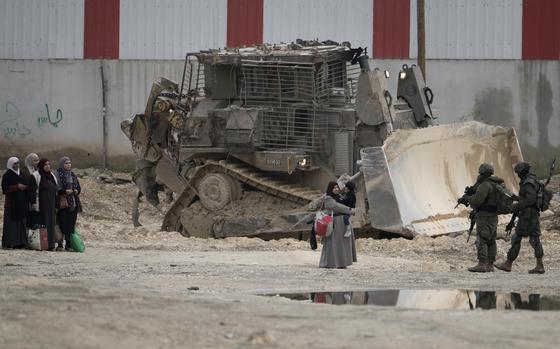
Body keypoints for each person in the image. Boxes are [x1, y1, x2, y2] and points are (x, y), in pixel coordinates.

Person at [495, 161, 545, 274]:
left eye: (518, 173)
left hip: (527, 216)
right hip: (532, 214)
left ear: (522, 172)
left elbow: (530, 199)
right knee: (535, 239)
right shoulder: (532, 180)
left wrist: (516, 206)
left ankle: (508, 263)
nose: (517, 175)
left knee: (517, 238)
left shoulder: (527, 183)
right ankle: (540, 265)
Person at [462, 163, 504, 273]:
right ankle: (490, 264)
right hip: (493, 216)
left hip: (484, 216)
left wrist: (467, 198)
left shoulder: (485, 185)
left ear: (482, 172)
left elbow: (477, 200)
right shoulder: (496, 184)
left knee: (482, 239)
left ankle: (482, 264)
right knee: (491, 240)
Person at [319, 181, 357, 269]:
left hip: (342, 224)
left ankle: (342, 263)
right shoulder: (328, 198)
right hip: (335, 224)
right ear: (330, 189)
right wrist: (350, 210)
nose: (336, 189)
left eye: (337, 187)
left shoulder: (339, 197)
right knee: (334, 244)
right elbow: (336, 207)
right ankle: (331, 263)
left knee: (342, 244)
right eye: (334, 188)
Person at [1, 157, 29, 249]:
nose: (17, 165)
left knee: (21, 223)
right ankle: (10, 243)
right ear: (10, 164)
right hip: (12, 203)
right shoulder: (7, 175)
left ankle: (20, 242)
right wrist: (17, 187)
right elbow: (5, 189)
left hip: (22, 202)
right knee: (11, 224)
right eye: (15, 163)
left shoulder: (22, 174)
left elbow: (27, 184)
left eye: (18, 163)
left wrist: (25, 187)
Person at [56, 156, 82, 251]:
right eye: (66, 163)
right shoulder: (58, 174)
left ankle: (68, 244)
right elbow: (56, 189)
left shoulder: (73, 174)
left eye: (69, 163)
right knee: (62, 224)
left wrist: (76, 191)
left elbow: (78, 188)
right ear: (62, 164)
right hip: (63, 204)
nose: (68, 165)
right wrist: (64, 191)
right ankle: (59, 244)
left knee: (71, 225)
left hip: (73, 204)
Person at [35, 158, 59, 251]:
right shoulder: (37, 176)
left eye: (49, 164)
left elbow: (56, 191)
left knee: (51, 224)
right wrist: (35, 204)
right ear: (41, 166)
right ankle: (43, 244)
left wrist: (57, 205)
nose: (48, 166)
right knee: (44, 223)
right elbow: (34, 191)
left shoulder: (52, 176)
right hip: (43, 205)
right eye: (45, 165)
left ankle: (51, 244)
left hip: (52, 205)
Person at [20, 153, 40, 219]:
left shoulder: (38, 170)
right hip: (27, 198)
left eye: (38, 160)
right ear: (30, 161)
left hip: (37, 197)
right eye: (35, 160)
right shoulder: (24, 171)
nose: (37, 162)